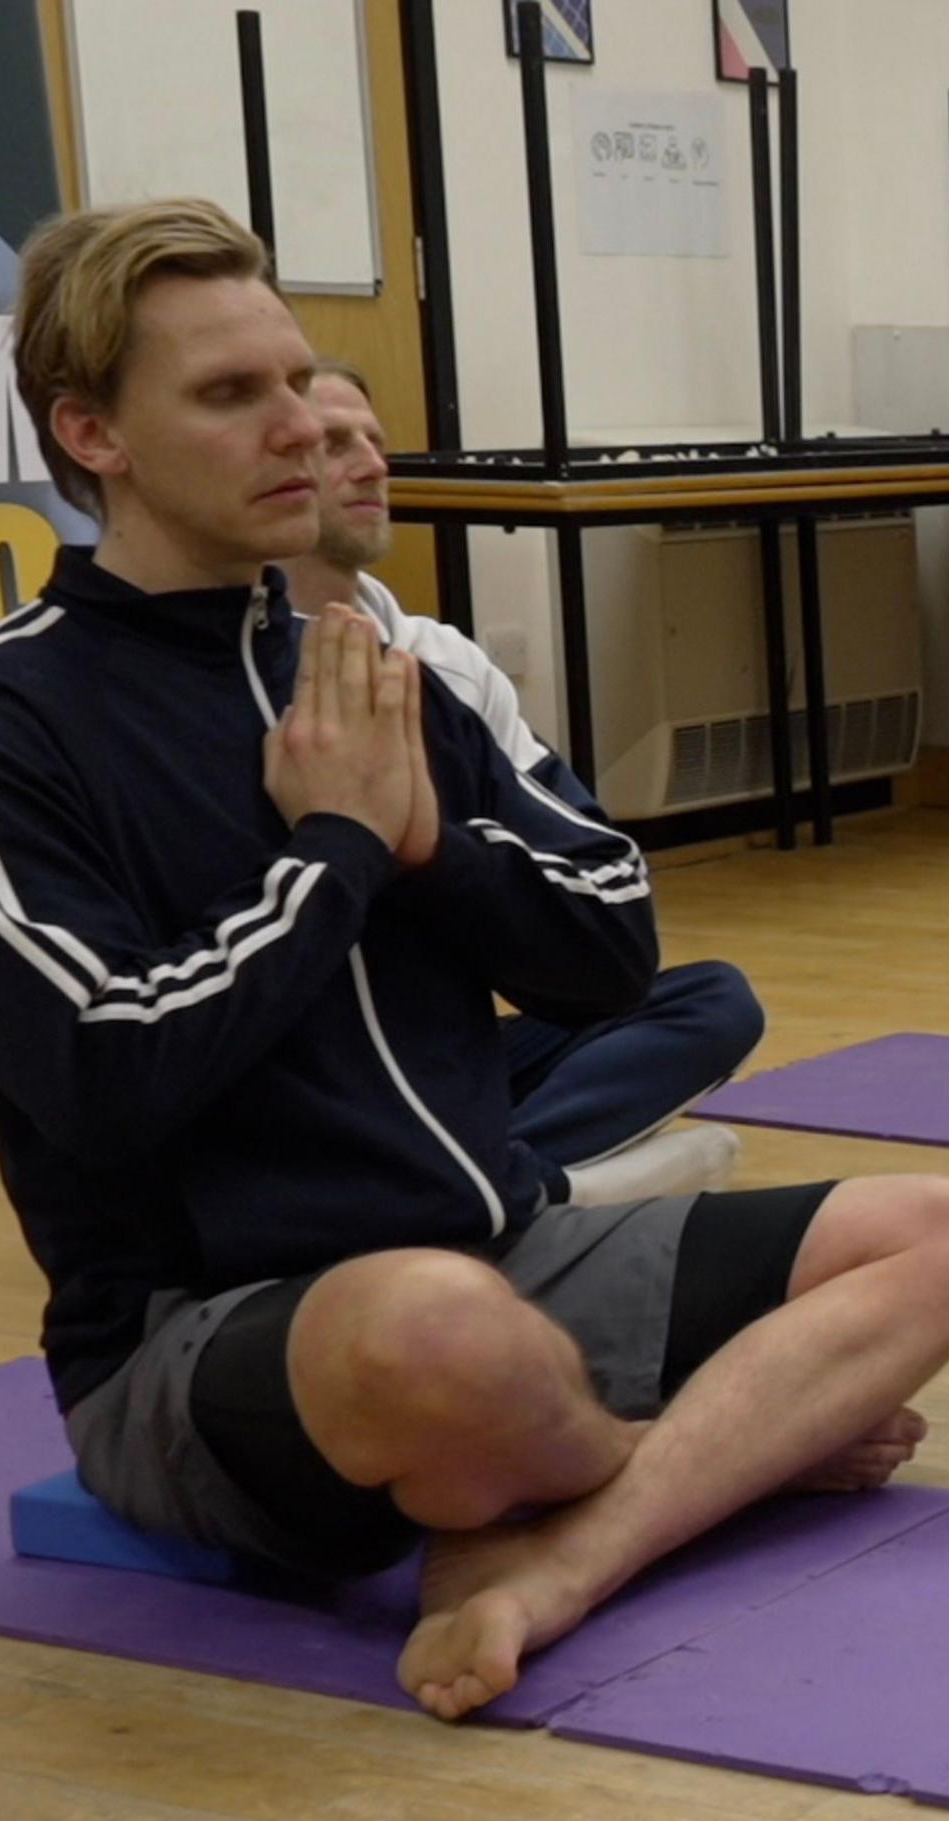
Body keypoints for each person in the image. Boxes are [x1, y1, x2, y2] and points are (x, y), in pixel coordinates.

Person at [0, 200, 949, 1721]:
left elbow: (613, 953)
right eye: (233, 397)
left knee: (946, 1231)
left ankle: (564, 1542)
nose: (299, 430)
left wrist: (430, 848)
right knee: (431, 1326)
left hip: (505, 1250)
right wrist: (334, 854)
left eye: (297, 382)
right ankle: (686, 1455)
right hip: (214, 1335)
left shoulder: (376, 665)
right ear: (92, 433)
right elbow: (100, 1068)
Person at [281, 358, 766, 1206]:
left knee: (713, 1002)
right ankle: (515, 1191)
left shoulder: (445, 662)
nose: (370, 464)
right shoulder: (231, 680)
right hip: (312, 1068)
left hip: (450, 1039)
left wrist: (443, 852)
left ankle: (512, 1185)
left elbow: (588, 859)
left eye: (374, 441)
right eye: (332, 444)